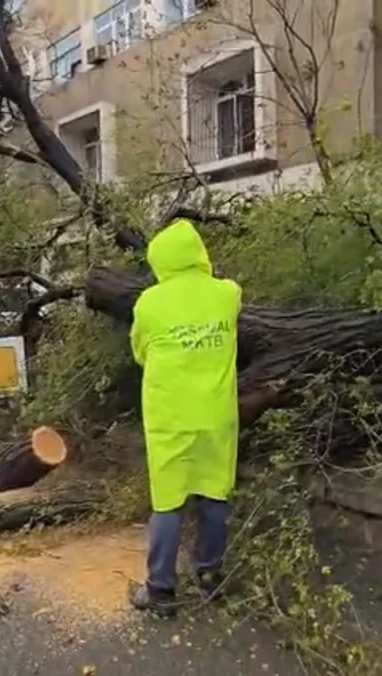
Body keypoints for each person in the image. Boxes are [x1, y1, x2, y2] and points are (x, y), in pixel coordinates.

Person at [127, 218, 242, 616]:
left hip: (170, 419)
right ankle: (210, 578)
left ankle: (160, 592)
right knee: (213, 496)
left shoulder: (148, 303)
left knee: (168, 503)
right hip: (215, 416)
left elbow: (140, 353)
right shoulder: (228, 294)